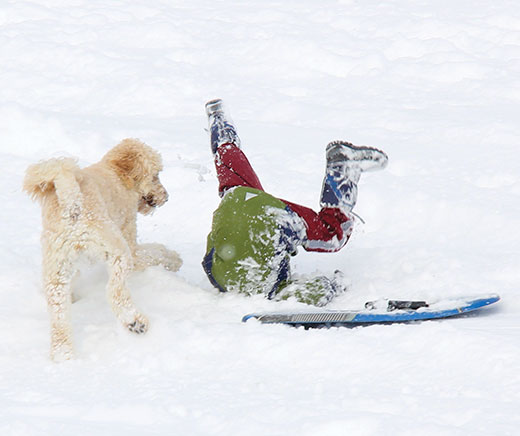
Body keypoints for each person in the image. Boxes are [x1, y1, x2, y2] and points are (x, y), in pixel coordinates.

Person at [202, 99, 388, 306]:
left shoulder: (268, 290)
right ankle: (219, 119)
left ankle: (343, 167)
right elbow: (209, 254)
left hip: (271, 217)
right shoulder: (219, 277)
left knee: (332, 233)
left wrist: (335, 284)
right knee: (229, 161)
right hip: (235, 201)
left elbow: (311, 292)